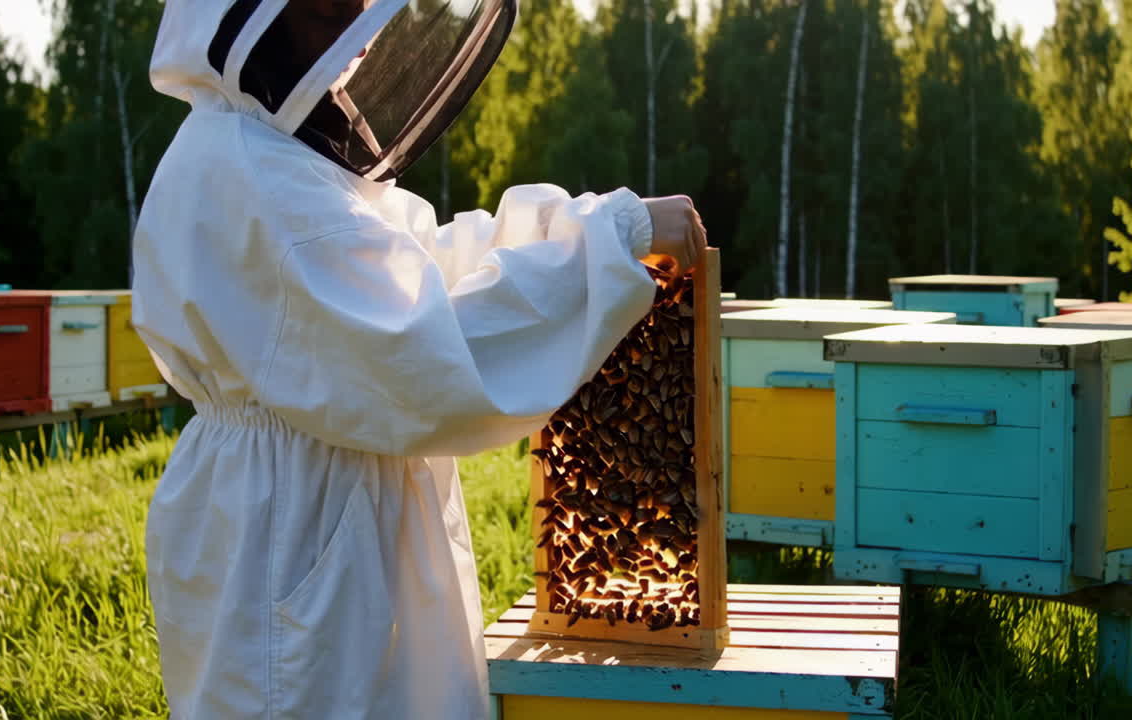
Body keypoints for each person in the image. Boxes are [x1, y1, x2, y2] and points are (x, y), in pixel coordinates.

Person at [131, 0, 709, 718]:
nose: (359, 35)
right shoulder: (253, 173)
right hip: (298, 522)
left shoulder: (271, 155)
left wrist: (594, 230)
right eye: (330, 10)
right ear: (254, 23)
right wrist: (610, 241)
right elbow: (423, 353)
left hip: (308, 501)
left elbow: (420, 273)